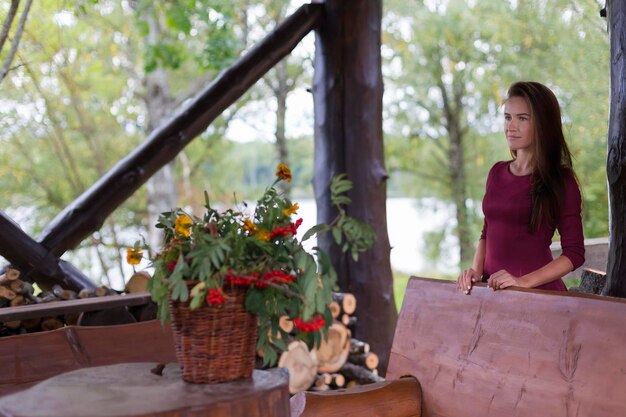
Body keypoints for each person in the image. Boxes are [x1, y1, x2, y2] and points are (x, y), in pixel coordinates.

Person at [457, 81, 585, 294]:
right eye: (507, 117)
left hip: (537, 296)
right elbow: (487, 232)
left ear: (543, 124)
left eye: (522, 118)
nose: (511, 126)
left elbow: (574, 253)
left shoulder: (561, 180)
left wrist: (523, 281)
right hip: (491, 294)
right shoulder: (496, 172)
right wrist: (476, 273)